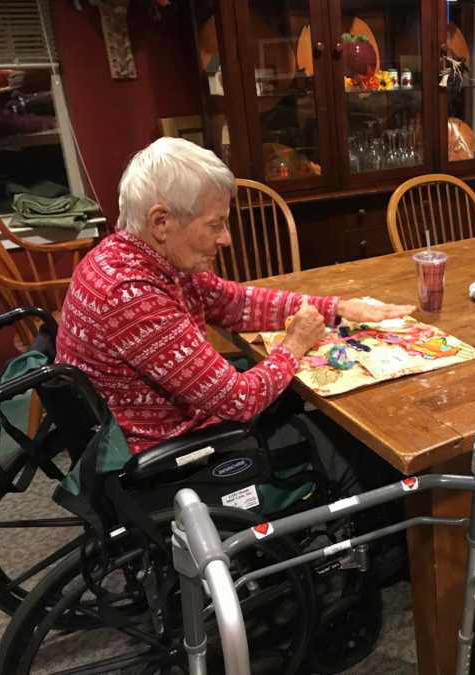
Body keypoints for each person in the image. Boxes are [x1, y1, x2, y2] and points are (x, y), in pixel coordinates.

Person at [56, 137, 414, 456]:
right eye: (215, 224)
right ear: (161, 221)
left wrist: (338, 308)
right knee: (355, 447)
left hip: (176, 425)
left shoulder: (146, 258)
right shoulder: (131, 295)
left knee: (303, 402)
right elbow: (240, 400)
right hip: (170, 458)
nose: (226, 238)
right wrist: (295, 343)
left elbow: (237, 304)